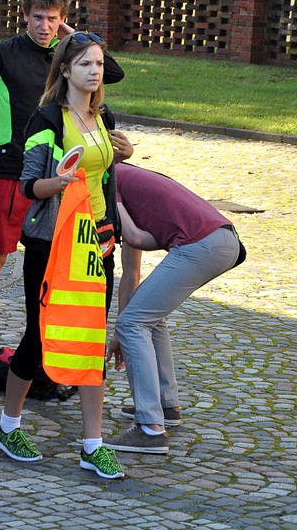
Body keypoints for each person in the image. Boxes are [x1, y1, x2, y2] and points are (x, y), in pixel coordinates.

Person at [0, 0, 125, 379]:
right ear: (24, 15)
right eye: (38, 17)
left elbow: (112, 73)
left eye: (53, 19)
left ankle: (48, 352)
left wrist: (73, 36)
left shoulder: (68, 57)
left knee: (57, 267)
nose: (45, 26)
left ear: (62, 20)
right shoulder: (0, 54)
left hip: (58, 180)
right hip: (10, 174)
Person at [0, 32, 126, 480]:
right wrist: (59, 181)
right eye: (85, 64)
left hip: (96, 243)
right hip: (53, 243)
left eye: (99, 65)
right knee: (40, 335)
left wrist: (121, 154)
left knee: (91, 338)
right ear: (65, 69)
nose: (96, 71)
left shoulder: (102, 114)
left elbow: (105, 175)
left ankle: (93, 444)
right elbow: (29, 186)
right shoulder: (46, 120)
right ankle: (7, 425)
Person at [104, 163, 246, 454]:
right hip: (220, 241)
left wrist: (123, 327)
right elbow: (131, 270)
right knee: (147, 319)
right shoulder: (125, 178)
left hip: (202, 245)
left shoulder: (109, 179)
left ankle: (149, 428)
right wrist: (121, 324)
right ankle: (166, 406)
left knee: (134, 324)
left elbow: (134, 238)